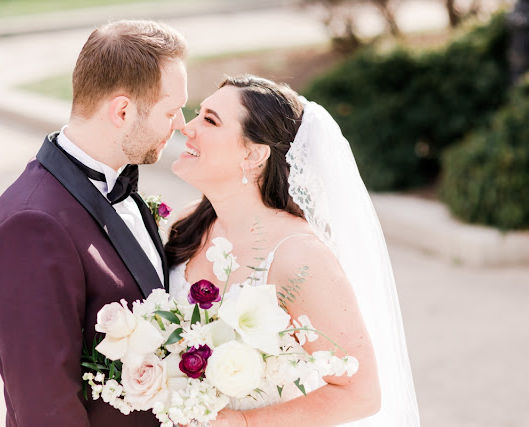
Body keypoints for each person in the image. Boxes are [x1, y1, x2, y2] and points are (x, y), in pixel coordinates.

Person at [166, 75, 420, 426]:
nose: (187, 127)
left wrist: (243, 424)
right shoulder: (188, 223)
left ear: (254, 154)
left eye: (210, 120)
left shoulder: (298, 255)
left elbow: (360, 393)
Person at [0, 20, 188, 426]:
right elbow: (45, 407)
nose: (179, 123)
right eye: (170, 111)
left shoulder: (116, 185)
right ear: (123, 111)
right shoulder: (31, 226)